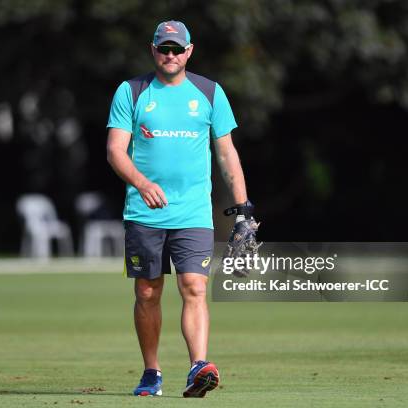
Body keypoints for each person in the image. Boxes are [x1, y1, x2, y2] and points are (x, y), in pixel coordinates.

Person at [106, 20, 252, 398]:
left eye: (177, 49)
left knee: (194, 287)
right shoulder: (132, 92)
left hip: (193, 214)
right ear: (153, 50)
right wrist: (141, 183)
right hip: (143, 212)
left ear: (189, 51)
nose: (170, 55)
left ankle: (198, 366)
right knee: (148, 293)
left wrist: (243, 209)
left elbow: (226, 153)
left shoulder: (209, 93)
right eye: (163, 48)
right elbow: (114, 151)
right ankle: (151, 373)